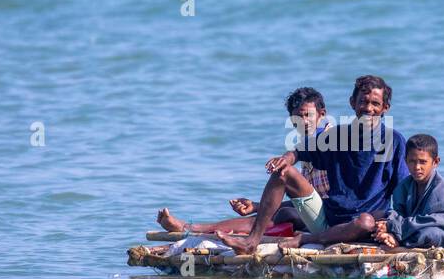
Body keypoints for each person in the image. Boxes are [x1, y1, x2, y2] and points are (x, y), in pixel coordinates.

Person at [218, 75, 408, 253]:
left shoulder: (394, 141)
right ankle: (252, 241)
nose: (368, 108)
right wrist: (286, 159)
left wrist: (395, 229)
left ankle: (306, 239)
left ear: (385, 108)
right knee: (284, 172)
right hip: (329, 217)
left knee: (365, 221)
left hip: (363, 225)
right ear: (352, 103)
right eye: (363, 102)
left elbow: (405, 191)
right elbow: (300, 151)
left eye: (375, 103)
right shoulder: (337, 137)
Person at [156, 87, 330, 235]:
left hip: (335, 218)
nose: (304, 122)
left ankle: (190, 228)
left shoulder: (332, 140)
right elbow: (309, 199)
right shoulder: (306, 145)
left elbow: (331, 199)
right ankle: (191, 227)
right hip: (320, 212)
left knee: (280, 208)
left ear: (322, 114)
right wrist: (256, 206)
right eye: (298, 118)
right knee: (275, 214)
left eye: (308, 115)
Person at [374, 134, 444, 250]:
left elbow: (434, 221)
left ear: (435, 162)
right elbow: (398, 213)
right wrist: (387, 223)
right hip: (412, 229)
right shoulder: (403, 186)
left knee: (430, 233)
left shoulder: (441, 188)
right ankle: (393, 237)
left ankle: (397, 239)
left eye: (423, 162)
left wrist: (393, 227)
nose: (417, 167)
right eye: (412, 161)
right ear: (405, 161)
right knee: (379, 220)